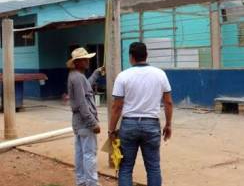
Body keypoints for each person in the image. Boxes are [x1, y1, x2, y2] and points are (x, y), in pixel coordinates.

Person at [108, 42, 173, 186]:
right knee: (153, 167)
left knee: (125, 168)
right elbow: (168, 102)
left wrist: (111, 130)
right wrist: (168, 125)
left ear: (131, 57)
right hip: (151, 125)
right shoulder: (160, 74)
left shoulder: (123, 76)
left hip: (129, 125)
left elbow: (117, 106)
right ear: (147, 55)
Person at [67, 47, 104, 186]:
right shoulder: (77, 78)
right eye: (84, 59)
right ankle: (91, 183)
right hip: (84, 123)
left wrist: (96, 73)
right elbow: (83, 104)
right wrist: (93, 123)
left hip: (78, 123)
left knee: (81, 153)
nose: (88, 61)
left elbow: (86, 86)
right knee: (89, 154)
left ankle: (82, 182)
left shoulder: (77, 76)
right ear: (77, 62)